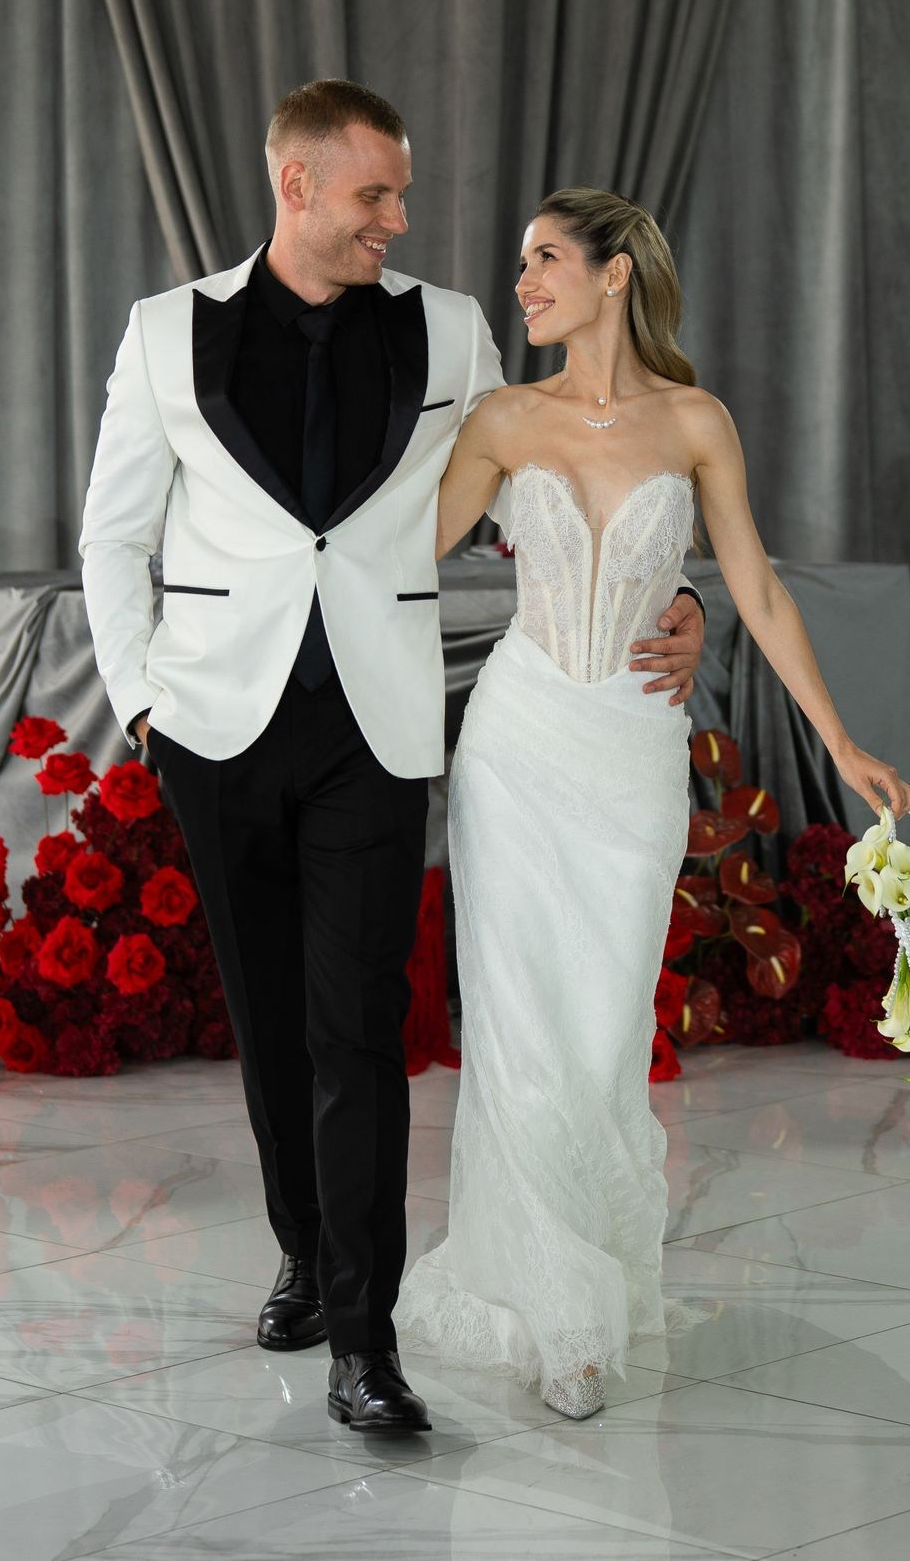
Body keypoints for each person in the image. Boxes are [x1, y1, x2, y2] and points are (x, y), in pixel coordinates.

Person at [78, 88, 709, 1435]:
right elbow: (111, 536)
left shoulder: (448, 328)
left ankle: (365, 1348)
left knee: (359, 1025)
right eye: (375, 194)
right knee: (267, 1021)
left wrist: (673, 591)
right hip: (215, 727)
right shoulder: (166, 330)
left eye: (401, 194)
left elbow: (554, 478)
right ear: (296, 186)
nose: (398, 220)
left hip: (375, 727)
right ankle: (305, 1253)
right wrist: (140, 707)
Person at [397, 186, 910, 1419]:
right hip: (516, 746)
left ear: (613, 272)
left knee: (601, 1026)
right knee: (519, 1030)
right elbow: (391, 558)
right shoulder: (500, 419)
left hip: (630, 755)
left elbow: (758, 589)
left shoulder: (694, 421)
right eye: (520, 263)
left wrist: (838, 738)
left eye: (544, 259)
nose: (522, 282)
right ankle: (559, 1317)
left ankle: (585, 1270)